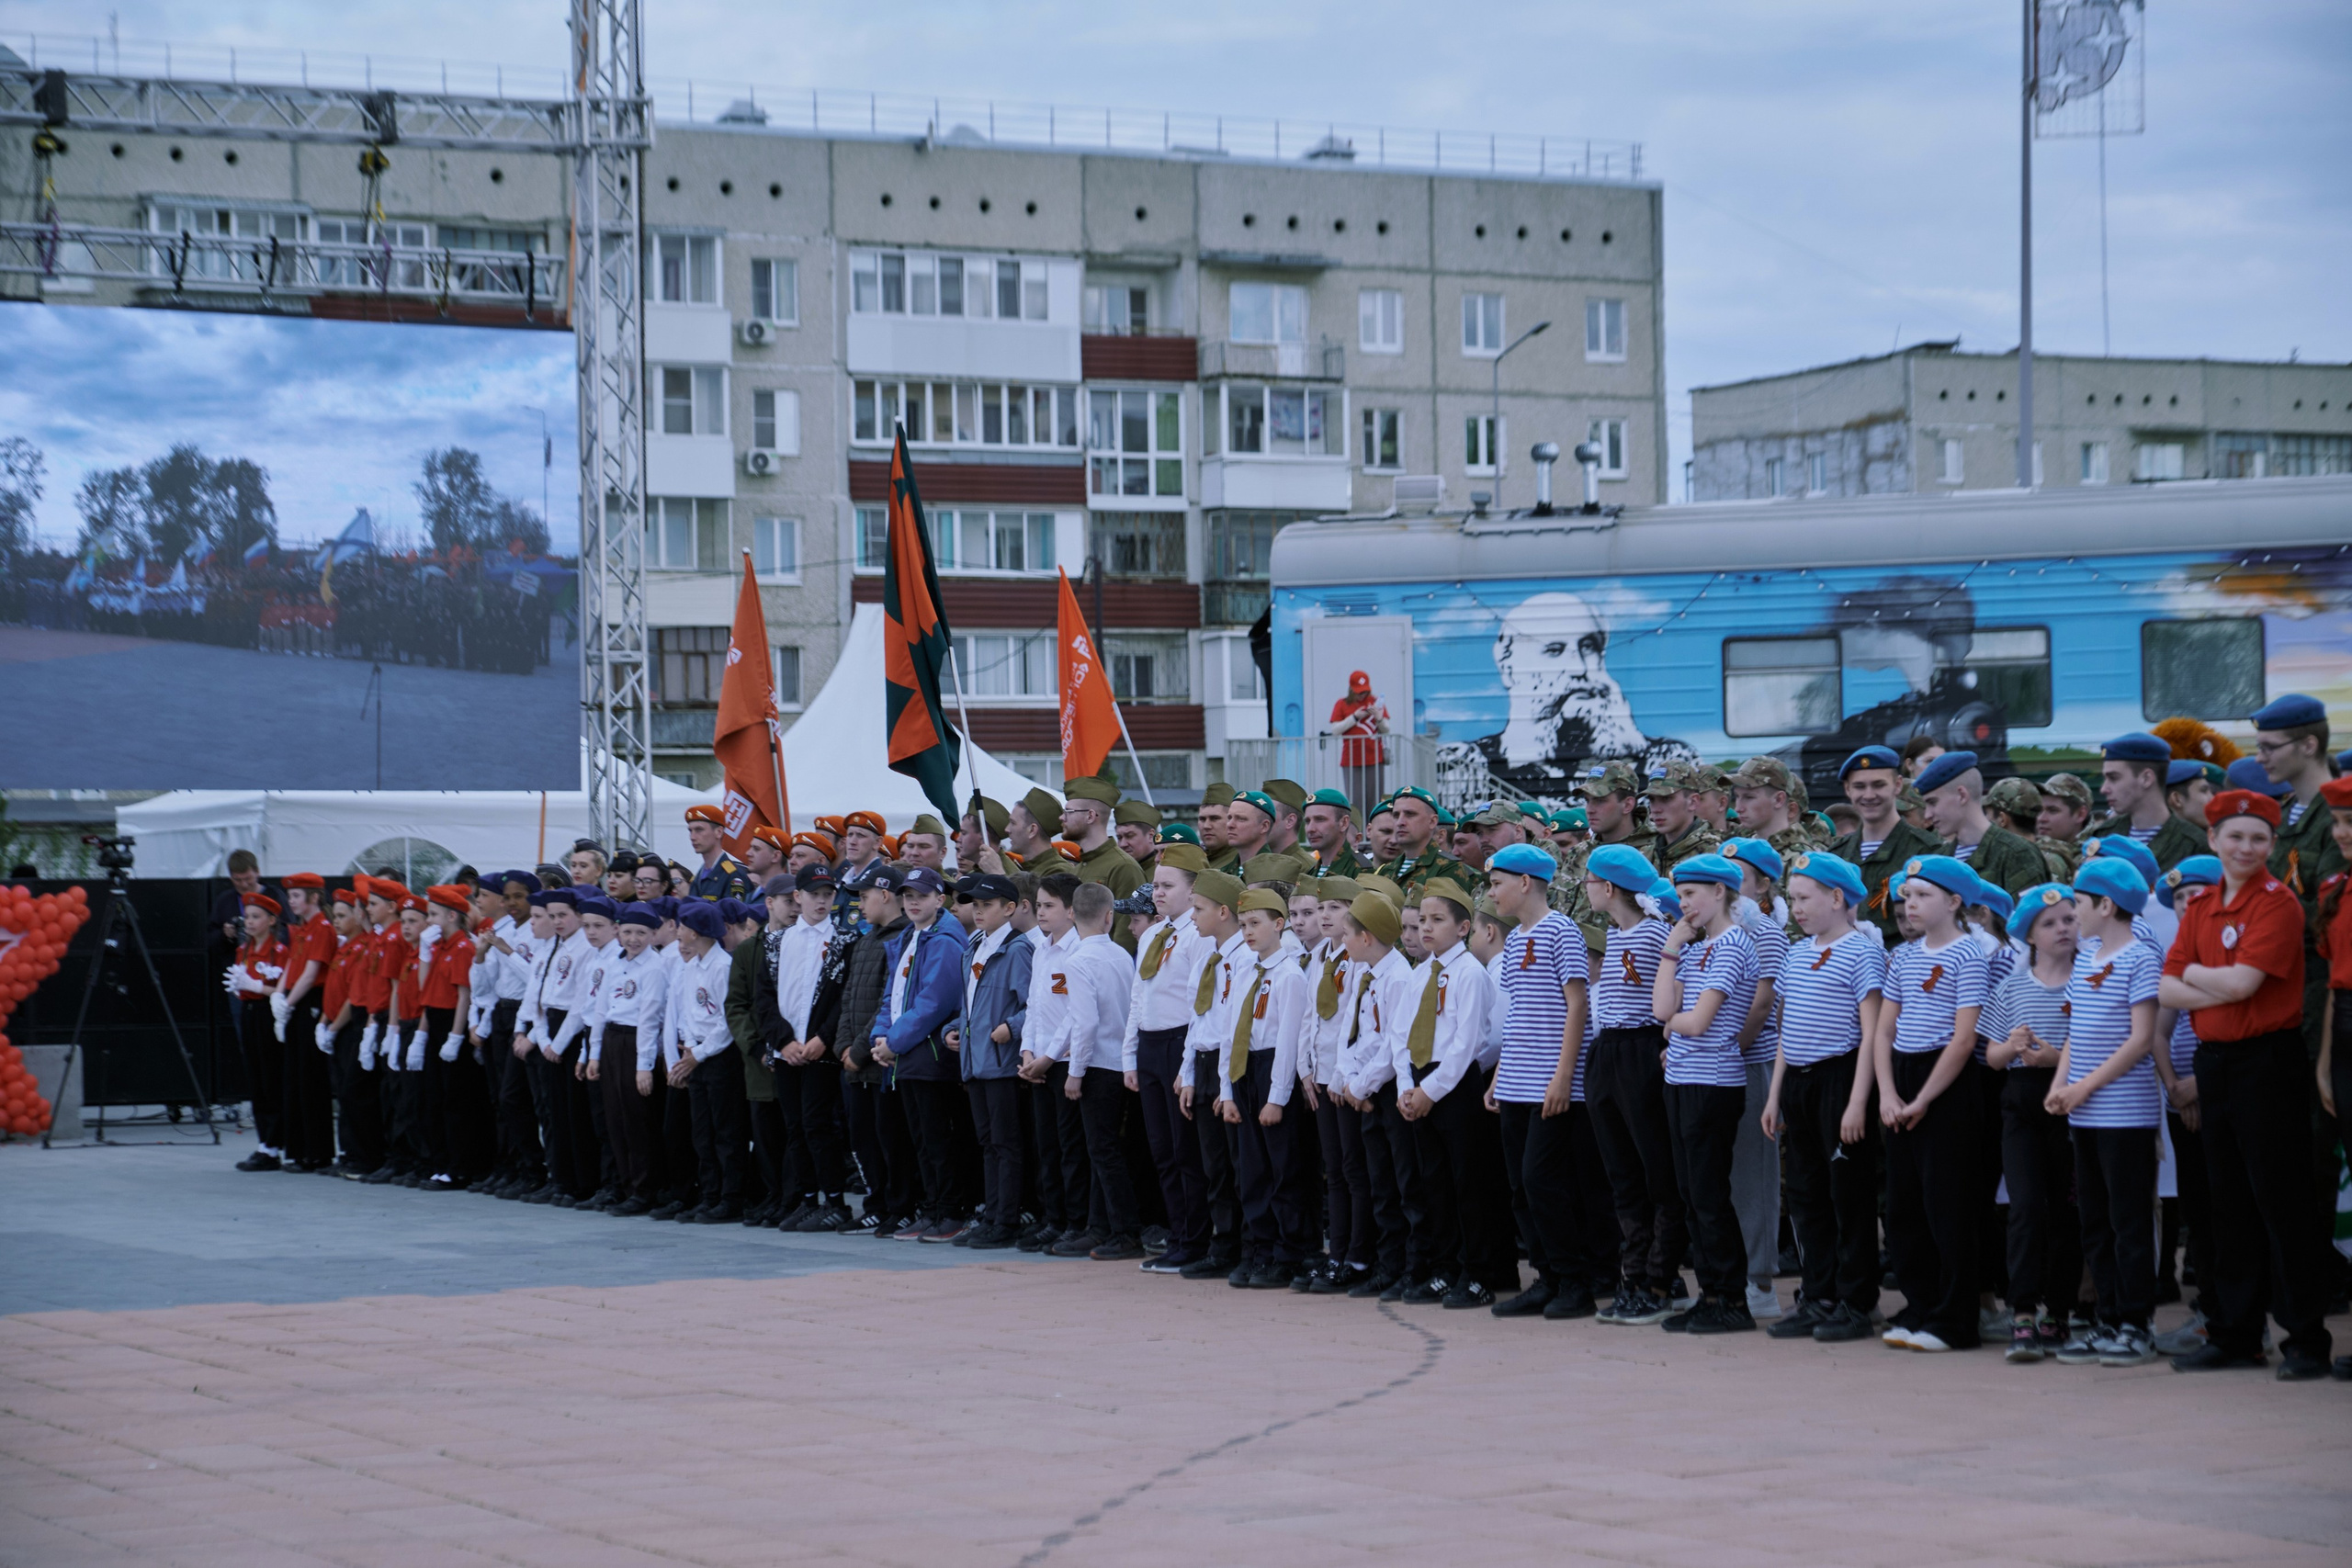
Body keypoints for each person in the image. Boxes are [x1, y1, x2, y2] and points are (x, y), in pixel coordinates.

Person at [2158, 787, 2335, 1380]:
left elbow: (2243, 986)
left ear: (2272, 843)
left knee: (2282, 1201)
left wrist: (2199, 976)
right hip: (2214, 1062)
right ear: (2212, 839)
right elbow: (2167, 988)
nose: (2246, 847)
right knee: (2226, 1201)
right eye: (2234, 836)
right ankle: (2236, 1333)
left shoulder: (2278, 904)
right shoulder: (2202, 905)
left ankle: (2305, 1339)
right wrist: (2217, 980)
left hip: (2267, 1063)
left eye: (2259, 837)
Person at [1759, 852, 1884, 1343]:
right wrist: (1775, 1096)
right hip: (1799, 1082)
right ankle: (1819, 1294)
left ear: (1837, 898)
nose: (1796, 908)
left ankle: (1857, 1300)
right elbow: (1787, 1032)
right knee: (1807, 1194)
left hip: (1841, 1077)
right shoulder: (1796, 954)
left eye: (1804, 898)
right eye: (1792, 899)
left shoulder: (1861, 952)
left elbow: (1872, 1034)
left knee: (1848, 1195)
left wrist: (1857, 1102)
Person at [2044, 858, 2164, 1367]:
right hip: (2084, 1115)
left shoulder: (2141, 958)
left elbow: (2140, 1040)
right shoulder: (2088, 957)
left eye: (2079, 903)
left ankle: (2137, 1324)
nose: (2074, 913)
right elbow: (2076, 1033)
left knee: (2128, 1221)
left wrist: (2083, 1088)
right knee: (2095, 1221)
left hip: (2125, 1116)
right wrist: (2060, 1084)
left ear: (2107, 906)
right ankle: (2108, 1319)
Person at [1871, 855, 1992, 1352]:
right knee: (1904, 1206)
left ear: (1954, 902)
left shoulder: (1970, 955)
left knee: (1950, 1205)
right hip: (1902, 1079)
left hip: (1947, 1084)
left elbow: (1964, 1039)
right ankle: (1920, 1305)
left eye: (1923, 895)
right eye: (1908, 895)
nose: (1911, 904)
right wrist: (1888, 1093)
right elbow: (1884, 1031)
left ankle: (1956, 1318)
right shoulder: (1903, 956)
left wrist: (1922, 1099)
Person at [1483, 842, 1600, 1322]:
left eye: (1497, 884)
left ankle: (1575, 1281)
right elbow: (1518, 1013)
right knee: (1520, 1186)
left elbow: (1578, 1003)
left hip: (1550, 1082)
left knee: (1544, 1180)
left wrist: (1565, 1075)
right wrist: (1499, 1075)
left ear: (1525, 882)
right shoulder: (1515, 939)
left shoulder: (1562, 931)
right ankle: (1547, 1278)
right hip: (1516, 1080)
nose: (1492, 893)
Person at [1389, 876, 1516, 1308]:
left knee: (1468, 1184)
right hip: (1420, 1082)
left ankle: (1478, 1273)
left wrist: (1430, 1090)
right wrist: (1406, 1086)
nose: (1426, 928)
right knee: (1434, 1183)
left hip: (1455, 1086)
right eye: (1422, 920)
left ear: (1463, 928)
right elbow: (1400, 1035)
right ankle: (1444, 1269)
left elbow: (1468, 1043)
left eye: (1437, 920)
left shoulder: (1470, 974)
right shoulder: (1419, 974)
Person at [1650, 853, 1761, 1334]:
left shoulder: (1734, 945)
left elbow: (1695, 1023)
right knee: (1691, 1195)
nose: (1684, 903)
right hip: (1682, 1078)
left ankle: (1732, 1299)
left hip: (1712, 1082)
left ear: (1719, 892)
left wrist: (1673, 1027)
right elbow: (1662, 1010)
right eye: (1679, 895)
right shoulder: (1695, 949)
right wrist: (1672, 946)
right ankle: (1710, 1294)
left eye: (1691, 893)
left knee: (1710, 1195)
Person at [1981, 884, 2081, 1362]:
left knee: (2066, 1210)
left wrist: (2054, 1058)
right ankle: (2022, 1309)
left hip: (2071, 1104)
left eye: (2069, 919)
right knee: (2025, 1207)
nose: (2063, 929)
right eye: (2050, 923)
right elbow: (1992, 1057)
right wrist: (2013, 1046)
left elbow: (2093, 1048)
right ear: (2030, 937)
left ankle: (2058, 1311)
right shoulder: (2012, 987)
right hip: (2021, 1105)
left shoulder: (2087, 981)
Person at [1121, 844, 1216, 1274]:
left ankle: (1195, 1239)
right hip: (1150, 1044)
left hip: (1180, 1044)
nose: (1158, 893)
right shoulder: (1153, 935)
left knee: (1185, 1151)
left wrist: (1188, 1064)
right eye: (1156, 885)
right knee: (1161, 1150)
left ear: (1193, 889)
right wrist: (1130, 1056)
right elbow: (1139, 998)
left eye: (1167, 885)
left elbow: (1199, 1005)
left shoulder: (1199, 935)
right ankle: (1178, 1235)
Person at [1213, 887, 1313, 1288]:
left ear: (1279, 924)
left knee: (1283, 1170)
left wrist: (1277, 1098)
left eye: (1255, 923)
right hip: (1244, 1069)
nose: (1248, 932)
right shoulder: (1245, 971)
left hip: (1273, 1071)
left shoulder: (1290, 976)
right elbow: (1230, 1033)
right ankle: (1260, 1249)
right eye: (1243, 925)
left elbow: (1289, 1041)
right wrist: (1227, 1090)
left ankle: (1289, 1254)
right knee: (1251, 1170)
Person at [1335, 888, 1431, 1299]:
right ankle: (1387, 1265)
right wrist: (1348, 1077)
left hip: (1391, 1088)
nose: (1342, 941)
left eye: (1347, 934)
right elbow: (1349, 1032)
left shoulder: (1399, 977)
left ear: (1366, 937)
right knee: (1379, 1182)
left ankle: (1412, 1267)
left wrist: (1360, 1086)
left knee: (1404, 1182)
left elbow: (1396, 1043)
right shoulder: (1365, 973)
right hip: (1365, 1088)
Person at [869, 865, 970, 1240]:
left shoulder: (944, 941)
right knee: (921, 1141)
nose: (913, 902)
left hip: (929, 1054)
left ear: (940, 899)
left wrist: (893, 1042)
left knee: (938, 1139)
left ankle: (951, 1211)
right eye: (908, 896)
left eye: (922, 896)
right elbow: (892, 996)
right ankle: (931, 1209)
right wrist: (880, 1038)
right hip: (907, 1053)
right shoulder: (909, 937)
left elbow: (933, 1003)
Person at [813, 863, 915, 1236]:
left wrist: (858, 1050)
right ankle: (876, 1204)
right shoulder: (865, 941)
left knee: (891, 1139)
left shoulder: (902, 938)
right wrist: (843, 1045)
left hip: (880, 1060)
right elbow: (849, 998)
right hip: (854, 1062)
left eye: (865, 895)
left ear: (885, 895)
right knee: (863, 1139)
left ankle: (901, 1206)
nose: (859, 903)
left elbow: (888, 1003)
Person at [1720, 839, 1790, 1323]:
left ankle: (1760, 1280)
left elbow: (1763, 1006)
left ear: (1763, 886)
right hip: (1713, 1067)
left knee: (1753, 1175)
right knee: (1720, 1176)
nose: (1727, 886)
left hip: (1750, 1062)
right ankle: (1727, 1274)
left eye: (1738, 878)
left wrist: (1726, 1049)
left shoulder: (1764, 932)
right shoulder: (1714, 930)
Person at [1057, 881, 1144, 1260]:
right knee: (1104, 1150)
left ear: (1071, 914)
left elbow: (1085, 1022)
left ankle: (1125, 1232)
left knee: (1103, 1152)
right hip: (1123, 1061)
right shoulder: (1122, 955)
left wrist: (1075, 1072)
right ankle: (1100, 1226)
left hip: (1097, 1065)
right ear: (1110, 917)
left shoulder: (1077, 961)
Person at [767, 866, 854, 1232]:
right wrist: (782, 1041)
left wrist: (824, 1038)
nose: (821, 901)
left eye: (827, 895)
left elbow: (844, 998)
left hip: (821, 1050)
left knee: (818, 1124)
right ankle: (807, 1199)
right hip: (787, 1050)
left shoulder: (845, 940)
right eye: (814, 894)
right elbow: (764, 997)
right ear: (798, 896)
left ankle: (835, 1201)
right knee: (795, 1127)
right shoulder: (776, 942)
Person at [951, 872, 1032, 1247]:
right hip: (976, 1061)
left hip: (1001, 1063)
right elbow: (970, 1005)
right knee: (988, 1142)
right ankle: (992, 1215)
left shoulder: (1017, 950)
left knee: (1006, 1144)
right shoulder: (975, 947)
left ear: (1010, 908)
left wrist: (1011, 1028)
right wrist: (953, 1028)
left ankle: (1007, 1220)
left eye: (987, 905)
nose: (978, 911)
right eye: (976, 905)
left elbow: (1035, 1005)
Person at [1178, 868, 1252, 1276]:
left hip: (1231, 1066)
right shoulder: (1210, 958)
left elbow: (1233, 1027)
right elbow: (1198, 1019)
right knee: (1214, 1165)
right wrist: (1189, 1073)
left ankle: (1246, 1247)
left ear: (1224, 912)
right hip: (1206, 1063)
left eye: (1199, 908)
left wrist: (1226, 1085)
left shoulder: (1244, 959)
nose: (1192, 916)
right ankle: (1223, 1243)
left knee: (1239, 1163)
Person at [1019, 872, 1091, 1253]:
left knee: (1070, 1147)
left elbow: (1074, 1014)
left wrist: (1047, 1057)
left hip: (1065, 1061)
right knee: (1045, 1145)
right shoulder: (1041, 949)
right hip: (1039, 1061)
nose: (1041, 912)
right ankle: (1054, 1218)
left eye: (1049, 906)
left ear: (1071, 910)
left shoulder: (1079, 950)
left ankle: (1076, 1221)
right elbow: (1034, 1006)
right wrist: (1028, 1051)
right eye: (1039, 905)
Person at [663, 900, 748, 1223]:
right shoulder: (691, 966)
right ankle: (710, 1195)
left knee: (726, 1131)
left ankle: (731, 1198)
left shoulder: (722, 967)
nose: (679, 932)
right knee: (702, 1132)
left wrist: (698, 1055)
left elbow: (726, 1023)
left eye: (683, 927)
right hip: (696, 1054)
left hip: (718, 1057)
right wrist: (689, 1048)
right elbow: (688, 1013)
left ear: (696, 932)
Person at [585, 901, 667, 1213]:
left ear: (653, 934)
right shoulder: (614, 962)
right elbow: (600, 1010)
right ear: (618, 932)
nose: (633, 939)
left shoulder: (654, 967)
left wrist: (644, 1065)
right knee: (616, 1118)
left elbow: (650, 1018)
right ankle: (625, 1183)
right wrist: (594, 1054)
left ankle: (645, 1189)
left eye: (641, 933)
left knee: (638, 1119)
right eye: (628, 932)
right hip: (612, 1039)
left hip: (636, 1042)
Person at [1828, 746, 1944, 946]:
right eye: (1859, 786)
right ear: (1848, 789)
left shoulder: (1928, 851)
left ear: (1897, 785)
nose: (1869, 795)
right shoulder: (1836, 856)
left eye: (1879, 785)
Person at [1915, 751, 2043, 898]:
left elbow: (2029, 912)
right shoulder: (1939, 859)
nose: (1927, 815)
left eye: (1933, 802)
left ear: (1962, 795)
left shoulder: (2017, 854)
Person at [227, 891, 290, 1172]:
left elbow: (282, 989)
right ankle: (265, 1142)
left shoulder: (279, 951)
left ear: (271, 920)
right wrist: (239, 987)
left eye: (256, 917)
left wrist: (256, 987)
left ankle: (274, 1143)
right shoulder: (244, 949)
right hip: (249, 1012)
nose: (250, 922)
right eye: (247, 917)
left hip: (268, 1012)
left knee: (270, 1077)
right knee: (255, 1077)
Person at [1379, 786, 1476, 904]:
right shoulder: (1386, 870)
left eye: (1410, 814)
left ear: (1432, 821)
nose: (1400, 822)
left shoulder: (1448, 868)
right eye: (1396, 816)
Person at [2087, 731, 2174, 844]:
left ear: (2146, 779)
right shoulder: (2104, 834)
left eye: (2113, 778)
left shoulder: (2192, 843)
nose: (2103, 789)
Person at [1328, 668, 1392, 818]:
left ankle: (1374, 829)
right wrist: (1355, 717)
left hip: (1375, 759)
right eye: (1359, 692)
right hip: (1351, 760)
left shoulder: (1376, 703)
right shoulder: (1342, 704)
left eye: (1365, 691)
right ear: (1351, 689)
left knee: (1375, 800)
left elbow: (1386, 729)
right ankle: (1358, 830)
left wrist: (1379, 717)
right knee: (1355, 802)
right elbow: (1335, 730)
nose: (1362, 695)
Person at [1647, 761, 1722, 873]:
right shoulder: (1646, 854)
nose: (1656, 809)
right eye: (1652, 799)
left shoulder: (1712, 855)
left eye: (1666, 798)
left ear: (1693, 802)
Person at [2153, 761, 2216, 871]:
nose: (2213, 799)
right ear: (2177, 799)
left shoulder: (2204, 841)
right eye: (2204, 791)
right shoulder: (2200, 844)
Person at [682, 806, 754, 899]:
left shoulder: (733, 876)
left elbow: (734, 908)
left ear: (719, 832)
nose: (692, 837)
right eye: (690, 831)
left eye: (699, 830)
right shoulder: (699, 876)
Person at [1300, 788, 1363, 878]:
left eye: (1320, 819)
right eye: (1307, 821)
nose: (1310, 829)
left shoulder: (1361, 871)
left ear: (1344, 823)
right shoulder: (1310, 872)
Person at [2038, 773, 2096, 845]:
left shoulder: (2101, 849)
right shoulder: (2030, 848)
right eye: (2039, 810)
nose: (2041, 818)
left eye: (2053, 811)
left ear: (2080, 815)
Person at [1114, 800, 1161, 876]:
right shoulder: (1118, 872)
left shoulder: (1163, 873)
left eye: (1130, 836)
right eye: (1119, 837)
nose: (1123, 844)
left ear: (1150, 835)